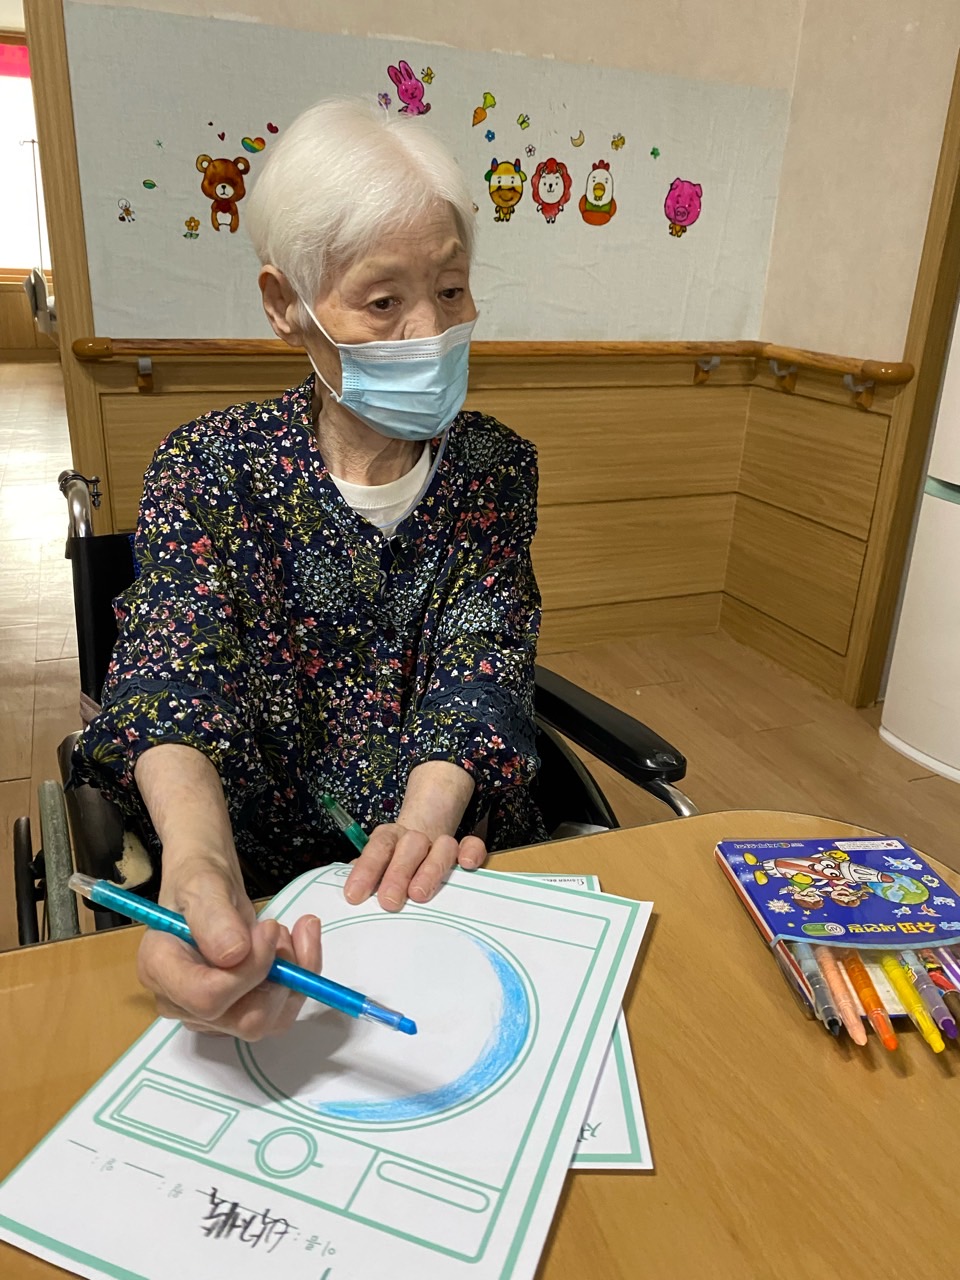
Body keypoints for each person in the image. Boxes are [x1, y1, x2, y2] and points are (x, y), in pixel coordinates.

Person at [71, 100, 544, 1040]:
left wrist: (424, 823)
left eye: (451, 290)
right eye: (384, 302)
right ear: (286, 304)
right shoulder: (210, 466)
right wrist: (199, 866)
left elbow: (482, 660)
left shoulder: (495, 467)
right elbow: (172, 680)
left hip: (444, 867)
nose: (429, 330)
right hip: (269, 888)